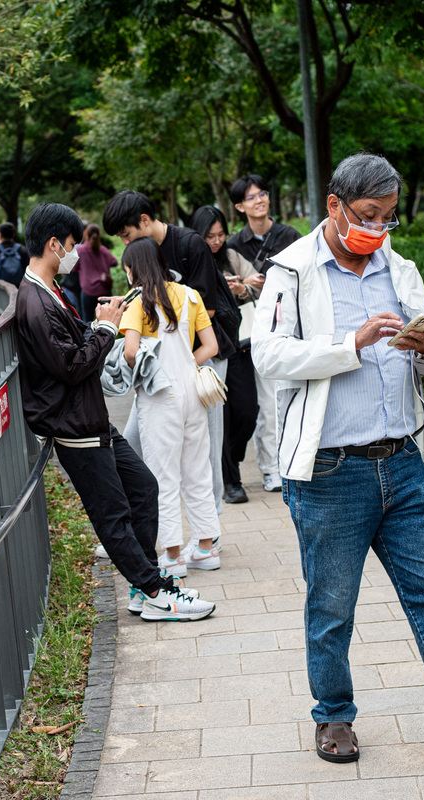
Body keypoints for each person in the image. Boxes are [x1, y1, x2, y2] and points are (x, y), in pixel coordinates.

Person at [253, 152, 424, 764]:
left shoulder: (398, 268)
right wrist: (346, 345)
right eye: (368, 216)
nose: (377, 230)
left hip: (404, 461)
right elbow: (267, 357)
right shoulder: (292, 271)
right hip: (331, 472)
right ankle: (333, 717)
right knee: (331, 605)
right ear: (334, 207)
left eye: (387, 219)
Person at [13, 202, 215, 622]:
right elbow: (70, 366)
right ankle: (157, 593)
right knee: (113, 514)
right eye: (70, 245)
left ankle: (148, 586)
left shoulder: (50, 291)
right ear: (54, 244)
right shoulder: (34, 300)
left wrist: (102, 322)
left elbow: (72, 353)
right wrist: (105, 328)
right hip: (73, 426)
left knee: (143, 487)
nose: (74, 253)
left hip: (91, 419)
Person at [103, 191, 236, 524]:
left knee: (205, 447)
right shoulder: (146, 254)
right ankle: (138, 524)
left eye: (126, 234)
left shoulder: (191, 245)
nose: (124, 243)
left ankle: (211, 528)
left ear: (144, 222)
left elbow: (206, 308)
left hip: (202, 357)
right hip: (159, 365)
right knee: (133, 440)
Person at [120, 237, 223, 575]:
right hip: (193, 392)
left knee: (163, 476)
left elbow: (131, 352)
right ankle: (206, 548)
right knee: (197, 470)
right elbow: (210, 345)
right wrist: (183, 364)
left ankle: (173, 555)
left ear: (133, 268)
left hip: (158, 397)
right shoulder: (191, 295)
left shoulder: (138, 302)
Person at [227, 174, 302, 494]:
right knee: (268, 402)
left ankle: (292, 462)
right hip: (254, 331)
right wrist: (244, 287)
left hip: (294, 327)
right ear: (240, 206)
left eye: (263, 194)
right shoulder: (233, 246)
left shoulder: (290, 236)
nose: (259, 200)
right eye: (251, 197)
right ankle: (271, 468)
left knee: (292, 399)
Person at [191, 205, 259, 505]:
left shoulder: (231, 256)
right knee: (222, 417)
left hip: (239, 346)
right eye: (210, 236)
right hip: (209, 349)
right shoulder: (193, 261)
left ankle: (229, 460)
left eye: (221, 235)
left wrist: (241, 288)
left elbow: (256, 284)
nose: (216, 241)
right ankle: (231, 480)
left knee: (247, 412)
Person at [74, 223, 118, 322]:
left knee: (87, 320)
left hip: (88, 290)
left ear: (86, 234)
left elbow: (73, 268)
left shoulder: (80, 251)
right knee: (107, 321)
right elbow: (114, 262)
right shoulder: (103, 250)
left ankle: (89, 338)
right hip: (104, 290)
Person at [0, 222, 29, 287]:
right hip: (18, 288)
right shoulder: (22, 250)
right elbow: (28, 269)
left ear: (0, 235)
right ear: (13, 234)